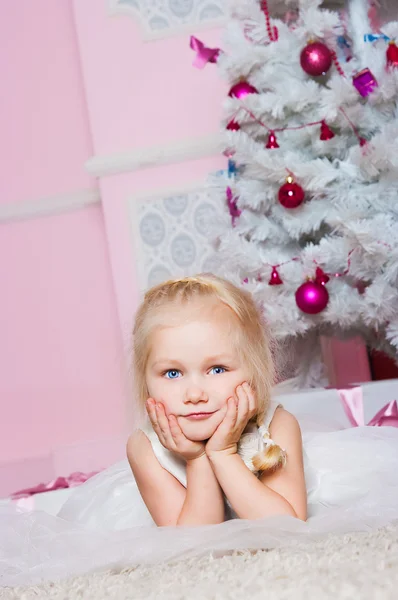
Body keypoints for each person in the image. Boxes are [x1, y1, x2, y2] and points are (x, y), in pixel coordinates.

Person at [2, 274, 398, 587]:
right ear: (146, 382)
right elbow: (196, 545)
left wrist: (224, 453)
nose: (193, 393)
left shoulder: (277, 424)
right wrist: (199, 460)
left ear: (255, 373)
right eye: (172, 373)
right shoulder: (144, 449)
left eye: (217, 369)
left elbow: (286, 529)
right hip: (183, 520)